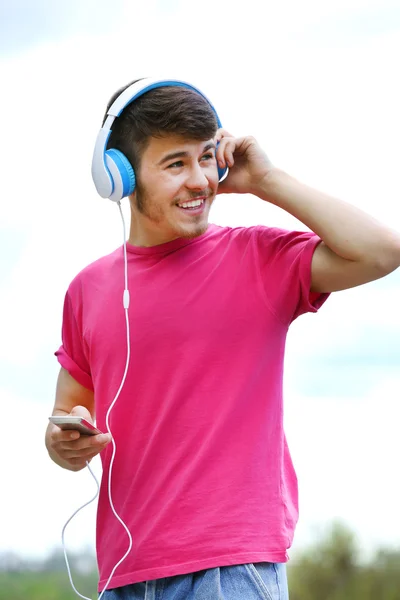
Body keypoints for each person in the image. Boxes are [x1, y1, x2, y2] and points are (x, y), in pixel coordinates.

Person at [45, 78, 400, 600]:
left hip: (230, 571)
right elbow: (68, 421)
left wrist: (269, 181)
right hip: (123, 575)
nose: (200, 181)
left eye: (207, 157)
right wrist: (65, 445)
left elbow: (381, 251)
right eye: (175, 164)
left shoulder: (257, 259)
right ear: (120, 176)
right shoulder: (88, 290)